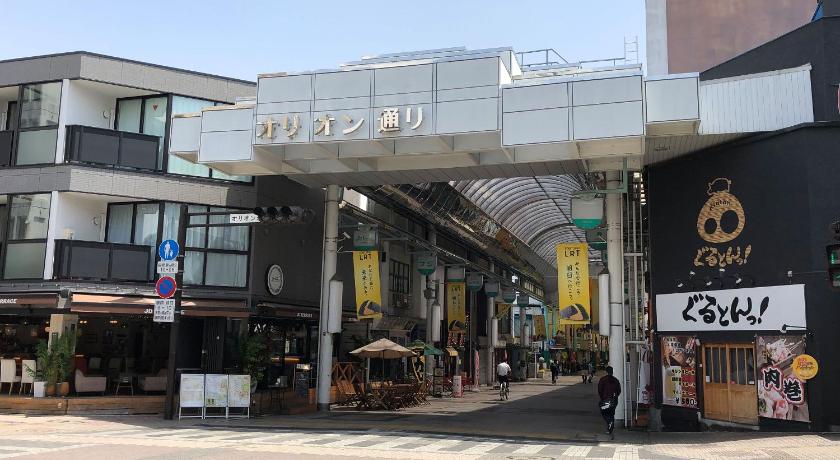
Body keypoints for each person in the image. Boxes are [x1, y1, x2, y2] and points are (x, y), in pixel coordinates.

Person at [598, 366, 621, 439]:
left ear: (606, 372)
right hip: (614, 400)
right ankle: (610, 429)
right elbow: (619, 390)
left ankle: (609, 422)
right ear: (612, 372)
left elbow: (600, 390)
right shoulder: (616, 380)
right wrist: (615, 396)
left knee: (604, 412)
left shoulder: (603, 380)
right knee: (611, 413)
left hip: (605, 400)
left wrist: (602, 398)